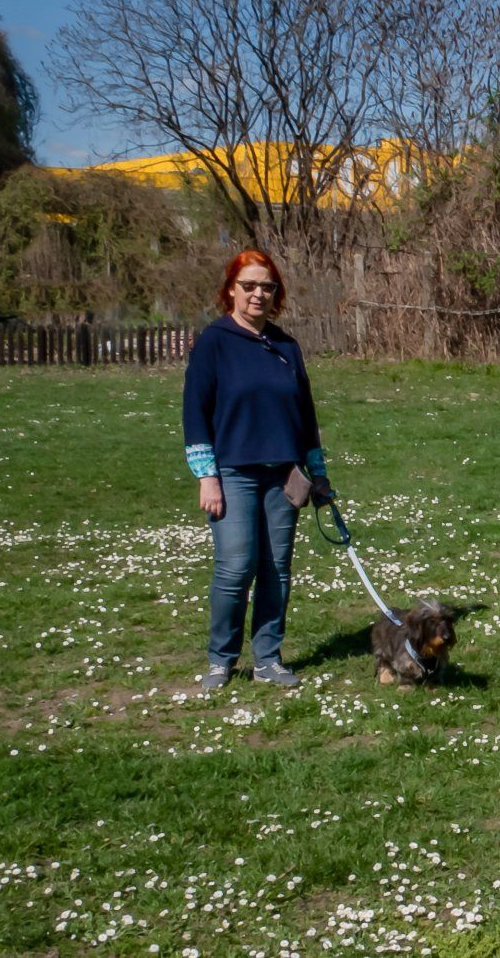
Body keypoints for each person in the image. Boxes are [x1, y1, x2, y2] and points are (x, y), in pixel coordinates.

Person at [181, 249, 330, 690]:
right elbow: (195, 412)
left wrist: (318, 472)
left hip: (283, 475)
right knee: (235, 568)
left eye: (267, 286)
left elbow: (305, 415)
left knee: (276, 570)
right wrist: (207, 476)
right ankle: (221, 660)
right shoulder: (214, 342)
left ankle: (268, 658)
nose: (258, 294)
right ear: (231, 289)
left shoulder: (286, 346)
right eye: (248, 285)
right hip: (233, 473)